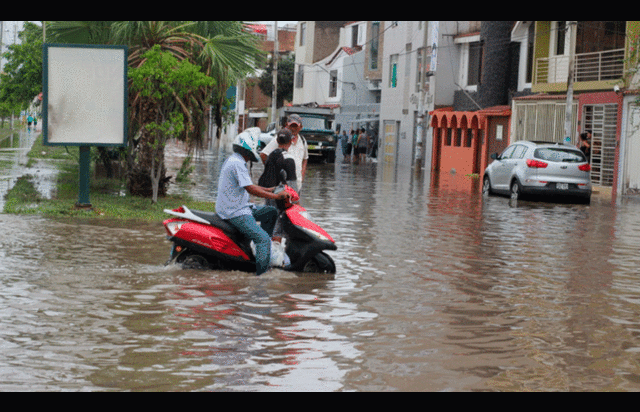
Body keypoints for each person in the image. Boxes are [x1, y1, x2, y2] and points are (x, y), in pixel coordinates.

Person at [216, 127, 290, 276]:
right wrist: (276, 197)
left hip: (241, 206)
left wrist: (271, 189)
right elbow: (251, 189)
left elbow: (251, 186)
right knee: (263, 239)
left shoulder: (236, 160)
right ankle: (261, 277)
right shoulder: (237, 163)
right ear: (248, 149)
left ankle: (260, 253)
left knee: (270, 212)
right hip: (235, 211)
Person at [258, 128, 297, 242]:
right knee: (278, 228)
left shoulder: (271, 155)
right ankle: (275, 253)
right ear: (291, 141)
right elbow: (292, 187)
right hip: (281, 197)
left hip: (269, 194)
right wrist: (296, 204)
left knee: (269, 223)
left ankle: (265, 246)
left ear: (277, 141)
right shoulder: (288, 159)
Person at [261, 114, 308, 193]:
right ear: (286, 125)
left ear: (300, 127)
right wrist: (272, 171)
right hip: (280, 186)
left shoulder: (303, 140)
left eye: (295, 126)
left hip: (297, 184)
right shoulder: (280, 139)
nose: (293, 129)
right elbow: (263, 155)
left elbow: (305, 158)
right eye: (291, 126)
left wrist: (302, 174)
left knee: (295, 203)